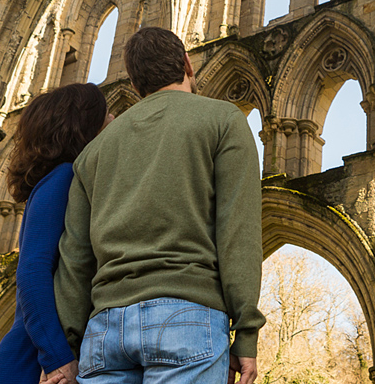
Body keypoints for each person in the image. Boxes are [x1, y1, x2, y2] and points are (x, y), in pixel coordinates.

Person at [55, 27, 264, 384]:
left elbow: (74, 257)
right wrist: (246, 332)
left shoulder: (94, 153)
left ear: (136, 85)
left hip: (105, 331)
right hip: (187, 316)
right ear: (187, 64)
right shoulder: (224, 120)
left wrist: (66, 348)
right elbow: (238, 232)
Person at [0, 83, 111, 384]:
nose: (114, 120)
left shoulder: (64, 178)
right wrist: (57, 360)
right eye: (107, 115)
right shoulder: (64, 177)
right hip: (29, 366)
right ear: (85, 126)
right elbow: (32, 272)